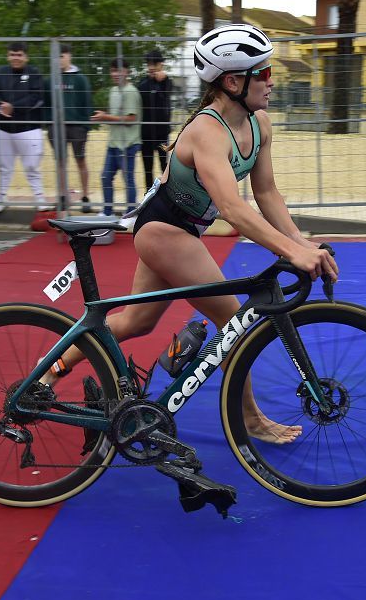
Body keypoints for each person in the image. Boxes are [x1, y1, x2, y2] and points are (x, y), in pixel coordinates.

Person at [51, 24, 339, 444]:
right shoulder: (208, 131)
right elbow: (233, 208)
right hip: (163, 229)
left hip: (181, 229)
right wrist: (293, 254)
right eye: (263, 72)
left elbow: (266, 191)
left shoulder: (260, 122)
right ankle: (252, 421)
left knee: (136, 321)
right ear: (233, 81)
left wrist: (301, 243)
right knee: (231, 320)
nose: (271, 80)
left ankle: (52, 368)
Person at [0, 42, 50, 212]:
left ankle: (39, 198)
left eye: (19, 55)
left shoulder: (34, 73)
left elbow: (38, 98)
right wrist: (1, 106)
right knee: (3, 166)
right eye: (12, 54)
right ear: (8, 56)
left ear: (26, 56)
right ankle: (1, 198)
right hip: (3, 128)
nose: (15, 58)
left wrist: (14, 106)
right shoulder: (0, 73)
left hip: (29, 128)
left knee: (32, 167)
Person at [91, 57, 140, 216]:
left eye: (119, 70)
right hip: (113, 143)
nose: (116, 74)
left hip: (128, 144)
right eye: (113, 70)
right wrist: (105, 116)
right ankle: (107, 211)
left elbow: (131, 119)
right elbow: (115, 116)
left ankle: (131, 213)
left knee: (128, 181)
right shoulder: (113, 91)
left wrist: (106, 117)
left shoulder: (131, 91)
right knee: (106, 177)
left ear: (127, 72)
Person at [51, 44, 93, 212]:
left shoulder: (80, 79)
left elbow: (87, 103)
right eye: (56, 56)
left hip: (77, 127)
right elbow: (47, 103)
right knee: (61, 162)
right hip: (56, 127)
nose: (59, 59)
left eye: (62, 56)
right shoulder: (51, 79)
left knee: (80, 160)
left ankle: (85, 197)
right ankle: (63, 197)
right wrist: (49, 122)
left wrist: (85, 126)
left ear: (69, 56)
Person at [137, 49, 173, 193]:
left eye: (154, 64)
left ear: (161, 65)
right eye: (149, 64)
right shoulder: (143, 83)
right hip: (146, 133)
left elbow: (167, 92)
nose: (151, 67)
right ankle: (148, 195)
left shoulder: (166, 81)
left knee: (164, 166)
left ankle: (167, 193)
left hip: (161, 133)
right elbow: (140, 93)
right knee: (147, 168)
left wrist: (162, 80)